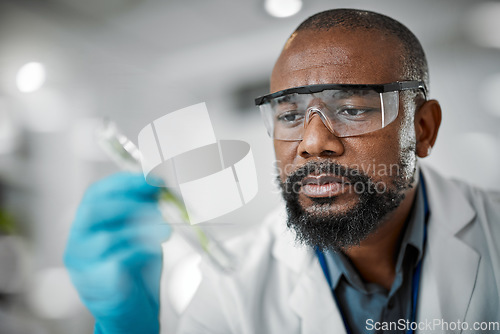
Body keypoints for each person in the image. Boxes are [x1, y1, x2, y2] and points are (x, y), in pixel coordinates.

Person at [65, 8, 500, 334]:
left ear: (423, 129)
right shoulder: (232, 284)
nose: (312, 143)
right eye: (289, 116)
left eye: (350, 108)